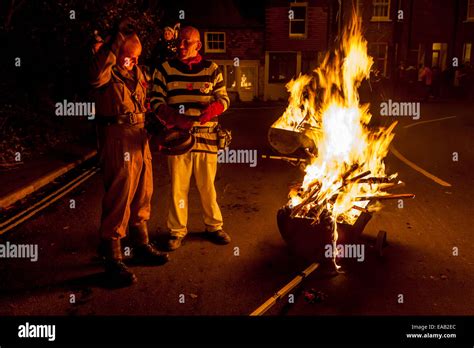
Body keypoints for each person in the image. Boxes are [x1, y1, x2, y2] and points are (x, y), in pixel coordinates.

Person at [88, 18, 169, 288]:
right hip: (117, 137)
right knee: (120, 194)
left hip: (139, 135)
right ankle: (111, 256)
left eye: (136, 58)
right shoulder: (105, 71)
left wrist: (157, 125)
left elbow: (144, 101)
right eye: (128, 57)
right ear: (117, 53)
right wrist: (115, 43)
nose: (132, 62)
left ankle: (140, 243)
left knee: (143, 190)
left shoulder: (138, 72)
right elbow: (96, 76)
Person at [150, 26, 231, 251]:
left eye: (188, 42)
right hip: (177, 139)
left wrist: (213, 109)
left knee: (207, 186)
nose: (182, 46)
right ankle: (177, 231)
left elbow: (224, 98)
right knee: (178, 186)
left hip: (207, 138)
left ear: (198, 45)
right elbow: (155, 100)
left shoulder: (212, 69)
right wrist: (174, 117)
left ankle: (214, 226)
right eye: (180, 42)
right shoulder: (165, 69)